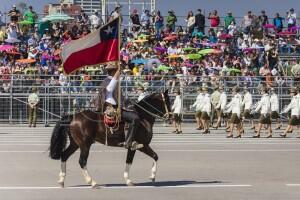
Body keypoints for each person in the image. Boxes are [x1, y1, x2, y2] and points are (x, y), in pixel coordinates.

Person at [98, 63, 143, 150]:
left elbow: (116, 95)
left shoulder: (110, 80)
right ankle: (128, 142)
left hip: (116, 105)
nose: (120, 73)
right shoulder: (108, 81)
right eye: (118, 71)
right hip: (112, 107)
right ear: (114, 72)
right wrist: (117, 75)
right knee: (135, 119)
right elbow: (110, 89)